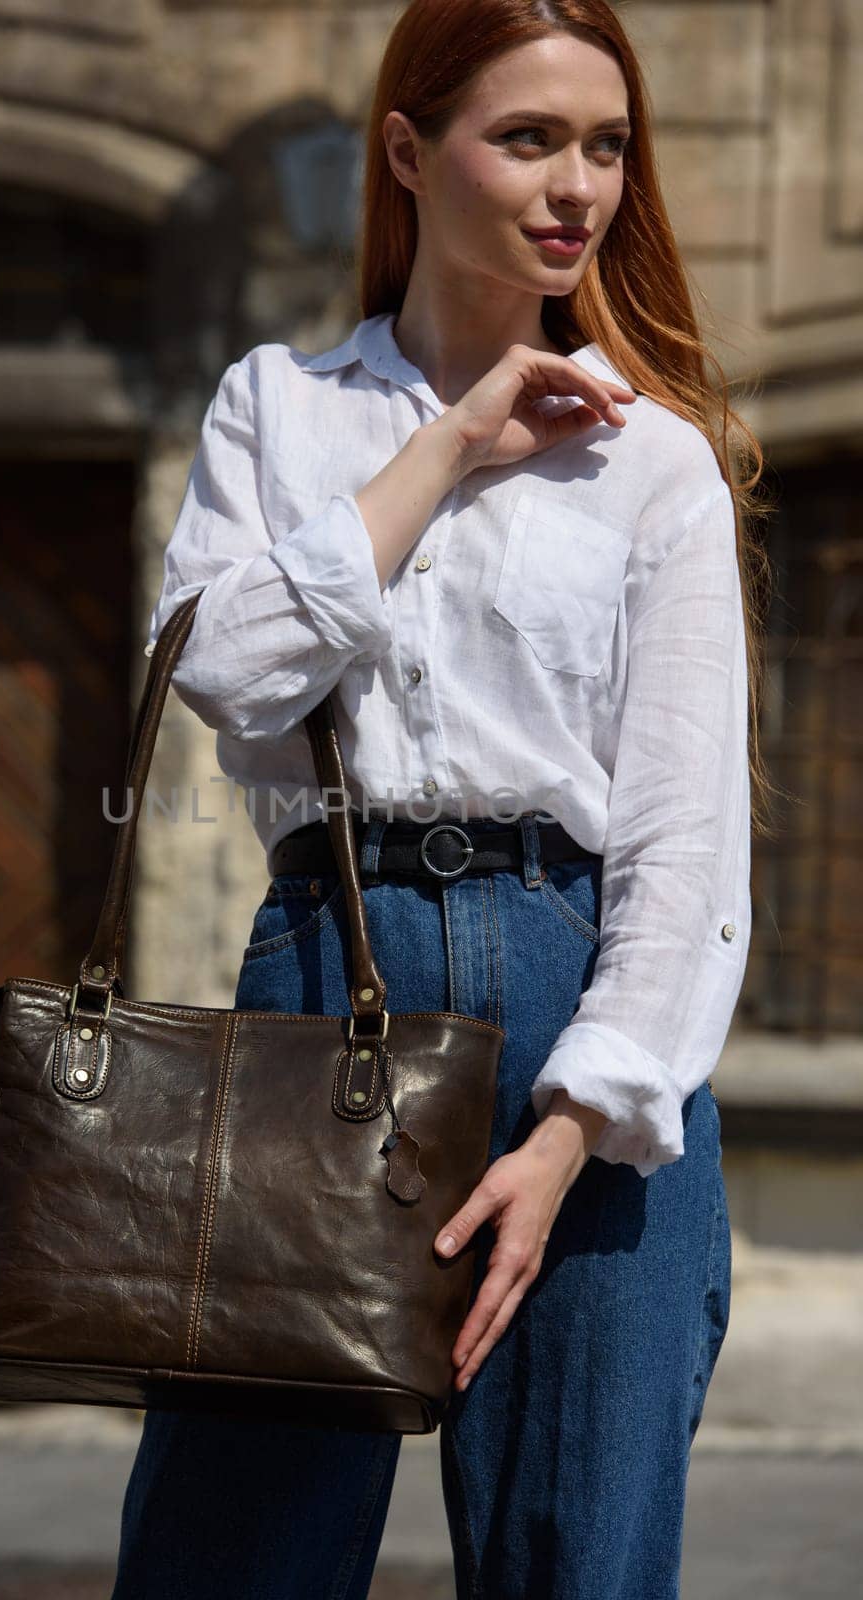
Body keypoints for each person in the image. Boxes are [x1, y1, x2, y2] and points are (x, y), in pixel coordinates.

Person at [111, 1, 774, 1595]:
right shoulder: (280, 409)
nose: (579, 187)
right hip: (327, 967)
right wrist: (459, 445)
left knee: (581, 1558)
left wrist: (571, 1133)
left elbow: (687, 841)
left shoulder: (655, 461)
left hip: (585, 996)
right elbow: (230, 671)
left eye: (607, 144)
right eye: (529, 138)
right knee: (235, 1554)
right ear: (407, 152)